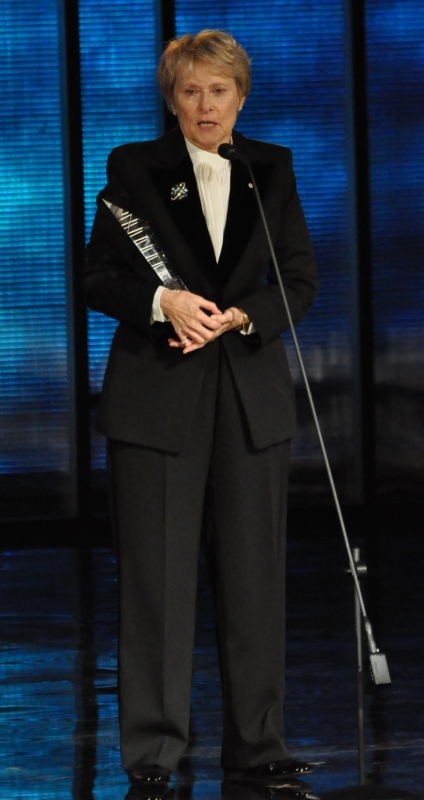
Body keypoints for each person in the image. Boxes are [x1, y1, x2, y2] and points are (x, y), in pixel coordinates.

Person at [84, 30, 318, 790]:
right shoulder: (134, 168)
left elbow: (300, 279)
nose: (205, 105)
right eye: (191, 91)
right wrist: (163, 301)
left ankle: (259, 744)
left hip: (249, 397)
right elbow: (99, 277)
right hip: (158, 395)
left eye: (219, 90)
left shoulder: (271, 169)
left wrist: (245, 316)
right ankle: (154, 756)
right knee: (156, 582)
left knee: (255, 582)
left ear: (241, 97)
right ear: (172, 99)